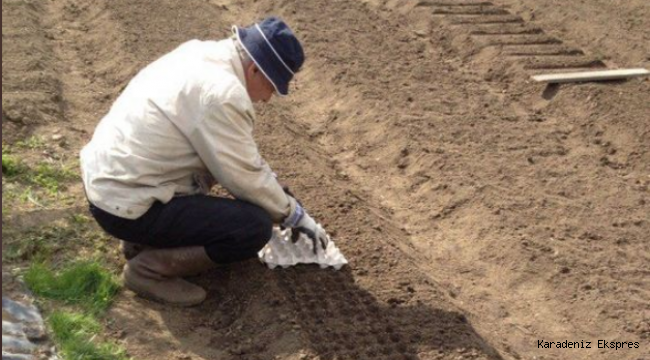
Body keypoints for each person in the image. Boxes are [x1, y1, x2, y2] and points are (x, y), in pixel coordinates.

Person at [80, 17, 329, 307]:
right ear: (255, 70)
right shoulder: (224, 94)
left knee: (222, 180)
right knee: (253, 227)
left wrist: (273, 190)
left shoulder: (200, 52)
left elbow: (237, 155)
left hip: (110, 183)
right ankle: (149, 270)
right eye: (272, 88)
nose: (268, 99)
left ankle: (143, 239)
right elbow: (244, 175)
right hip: (124, 204)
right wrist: (294, 215)